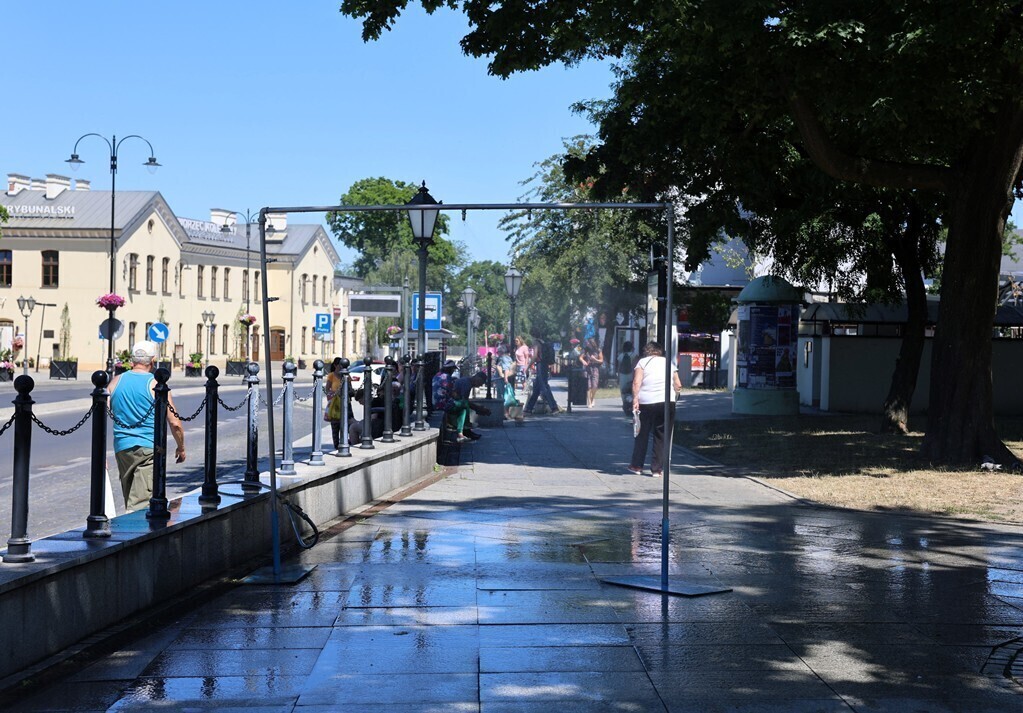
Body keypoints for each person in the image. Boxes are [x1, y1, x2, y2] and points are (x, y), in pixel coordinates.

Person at [109, 341, 186, 511]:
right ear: (153, 361)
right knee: (140, 506)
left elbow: (100, 415)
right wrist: (181, 447)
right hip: (148, 450)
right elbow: (174, 423)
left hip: (122, 449)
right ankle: (137, 535)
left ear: (132, 360)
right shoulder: (155, 385)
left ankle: (131, 531)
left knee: (130, 496)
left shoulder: (115, 382)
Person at [628, 341, 682, 477]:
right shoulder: (668, 363)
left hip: (646, 402)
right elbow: (678, 384)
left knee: (642, 433)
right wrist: (676, 394)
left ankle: (637, 466)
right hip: (667, 402)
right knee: (662, 434)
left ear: (647, 351)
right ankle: (657, 469)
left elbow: (636, 382)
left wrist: (635, 399)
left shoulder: (642, 363)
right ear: (660, 351)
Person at [444, 372, 490, 442]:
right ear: (477, 378)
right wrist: (478, 408)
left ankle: (466, 430)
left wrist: (477, 408)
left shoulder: (467, 381)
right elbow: (464, 401)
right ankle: (466, 430)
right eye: (481, 383)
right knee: (464, 407)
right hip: (449, 403)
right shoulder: (466, 384)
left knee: (464, 408)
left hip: (452, 402)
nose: (480, 385)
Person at [524, 331, 561, 415]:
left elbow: (535, 356)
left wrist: (528, 366)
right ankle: (528, 409)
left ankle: (554, 408)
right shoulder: (542, 342)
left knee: (544, 387)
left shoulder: (536, 342)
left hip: (540, 365)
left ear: (532, 335)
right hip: (544, 364)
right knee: (536, 389)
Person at [324, 357, 345, 450]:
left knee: (345, 425)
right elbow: (327, 389)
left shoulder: (346, 375)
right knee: (335, 427)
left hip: (344, 404)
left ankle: (344, 443)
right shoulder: (331, 375)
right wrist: (333, 395)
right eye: (340, 364)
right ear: (336, 365)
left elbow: (351, 389)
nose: (341, 367)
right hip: (335, 404)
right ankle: (336, 446)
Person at [579, 337, 604, 408]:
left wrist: (595, 359)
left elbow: (601, 360)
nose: (587, 344)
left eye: (588, 343)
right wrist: (583, 361)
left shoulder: (598, 350)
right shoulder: (585, 350)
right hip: (587, 369)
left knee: (594, 386)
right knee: (588, 386)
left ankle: (592, 398)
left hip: (595, 369)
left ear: (592, 343)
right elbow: (580, 357)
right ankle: (589, 401)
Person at [617, 341, 635, 417]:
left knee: (623, 390)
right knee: (631, 390)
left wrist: (618, 377)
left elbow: (619, 367)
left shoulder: (621, 356)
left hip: (622, 375)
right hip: (631, 374)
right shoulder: (634, 355)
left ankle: (625, 403)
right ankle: (631, 403)